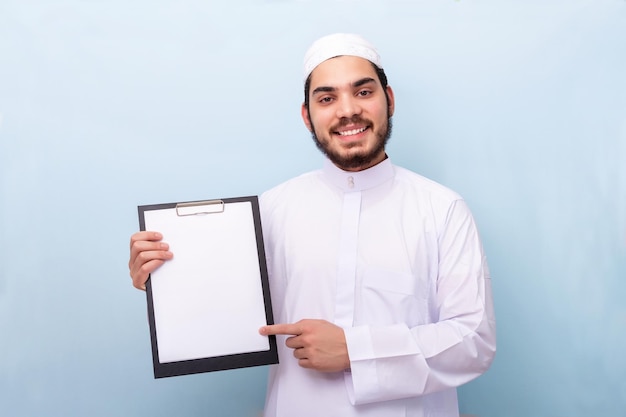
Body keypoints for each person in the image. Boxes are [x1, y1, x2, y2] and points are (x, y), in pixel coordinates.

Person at [129, 33, 496, 417]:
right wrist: (161, 277)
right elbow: (224, 306)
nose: (347, 110)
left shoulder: (442, 209)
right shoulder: (270, 210)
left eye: (363, 92)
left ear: (389, 99)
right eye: (326, 98)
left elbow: (473, 339)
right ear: (307, 116)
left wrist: (355, 351)